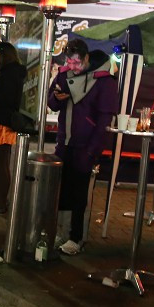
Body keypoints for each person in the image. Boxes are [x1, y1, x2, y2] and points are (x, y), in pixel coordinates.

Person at [48, 39, 118, 256]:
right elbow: (52, 103)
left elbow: (104, 119)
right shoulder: (64, 74)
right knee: (61, 189)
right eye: (69, 62)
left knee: (79, 193)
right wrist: (57, 98)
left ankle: (76, 237)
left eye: (77, 63)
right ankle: (61, 231)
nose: (73, 67)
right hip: (64, 142)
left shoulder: (104, 81)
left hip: (84, 145)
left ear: (87, 58)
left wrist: (92, 150)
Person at [0, 42, 29, 214]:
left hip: (3, 122)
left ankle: (0, 203)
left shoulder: (9, 74)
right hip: (5, 121)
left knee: (1, 164)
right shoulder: (13, 71)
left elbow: (5, 99)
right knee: (2, 163)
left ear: (3, 54)